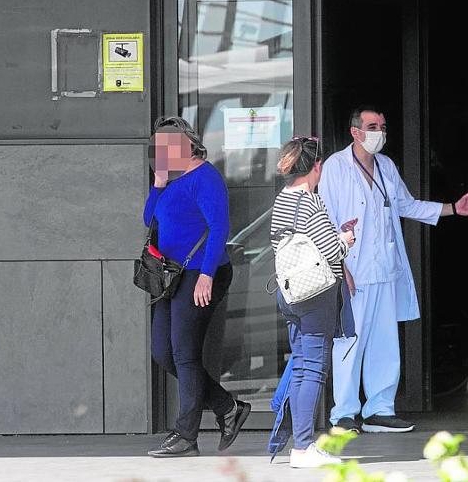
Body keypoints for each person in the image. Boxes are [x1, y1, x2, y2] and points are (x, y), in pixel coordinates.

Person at [320, 107, 468, 433]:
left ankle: (379, 410)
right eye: (372, 126)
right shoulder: (335, 167)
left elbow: (406, 205)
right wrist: (340, 267)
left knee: (385, 344)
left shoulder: (386, 166)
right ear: (355, 131)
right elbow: (326, 219)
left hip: (385, 269)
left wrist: (453, 209)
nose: (379, 132)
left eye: (383, 126)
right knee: (349, 343)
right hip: (353, 270)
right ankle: (343, 414)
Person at [143, 117, 250, 458]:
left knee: (185, 354)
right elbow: (149, 219)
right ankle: (227, 407)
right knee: (163, 352)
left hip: (200, 273)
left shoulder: (206, 178)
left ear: (189, 145)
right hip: (172, 275)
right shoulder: (173, 180)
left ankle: (186, 435)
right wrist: (158, 183)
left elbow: (219, 228)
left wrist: (206, 275)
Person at [267, 137, 356, 468]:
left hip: (290, 292)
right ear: (316, 167)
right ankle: (303, 447)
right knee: (313, 369)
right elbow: (331, 251)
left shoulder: (281, 200)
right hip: (316, 295)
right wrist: (346, 239)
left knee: (302, 364)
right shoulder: (310, 204)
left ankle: (300, 444)